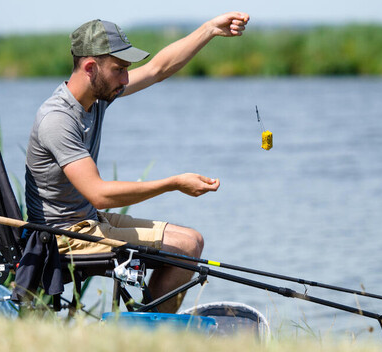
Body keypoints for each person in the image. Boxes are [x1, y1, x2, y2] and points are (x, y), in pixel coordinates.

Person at [25, 12, 250, 313]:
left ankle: (151, 327)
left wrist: (209, 29)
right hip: (65, 236)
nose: (126, 78)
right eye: (119, 70)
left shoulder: (95, 97)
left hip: (88, 220)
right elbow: (99, 193)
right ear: (90, 67)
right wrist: (173, 184)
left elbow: (157, 69)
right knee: (184, 248)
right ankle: (154, 333)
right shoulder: (58, 119)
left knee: (192, 241)